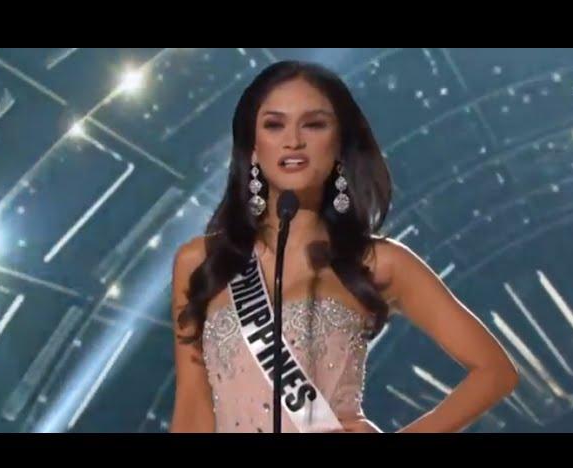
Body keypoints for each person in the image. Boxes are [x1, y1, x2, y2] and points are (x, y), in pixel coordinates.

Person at [169, 60, 519, 433]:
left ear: (339, 143)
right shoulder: (200, 261)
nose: (293, 140)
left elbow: (495, 371)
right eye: (274, 124)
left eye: (314, 124)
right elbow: (192, 404)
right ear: (252, 147)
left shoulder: (379, 263)